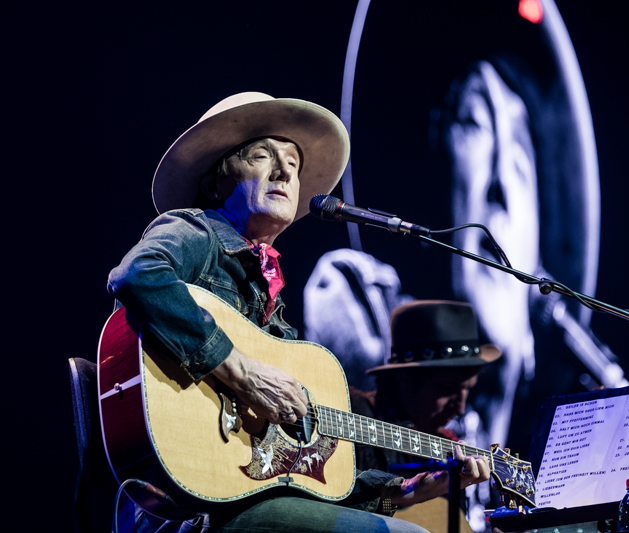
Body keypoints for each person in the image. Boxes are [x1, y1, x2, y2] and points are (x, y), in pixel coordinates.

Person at [107, 92, 490, 533]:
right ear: (215, 184)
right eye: (260, 156)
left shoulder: (277, 316)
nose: (285, 171)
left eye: (293, 162)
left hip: (248, 498)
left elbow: (308, 472)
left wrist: (413, 489)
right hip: (182, 510)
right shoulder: (198, 231)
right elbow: (138, 274)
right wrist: (242, 372)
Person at [349, 300, 502, 532]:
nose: (460, 408)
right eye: (447, 389)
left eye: (467, 389)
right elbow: (345, 507)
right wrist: (408, 495)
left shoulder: (449, 445)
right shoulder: (354, 416)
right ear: (405, 379)